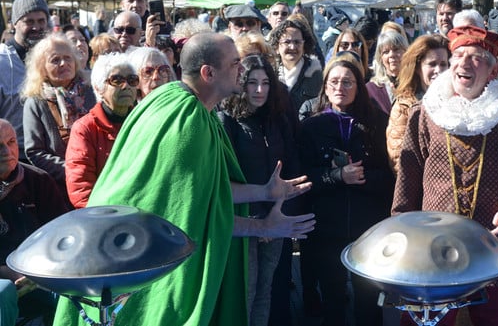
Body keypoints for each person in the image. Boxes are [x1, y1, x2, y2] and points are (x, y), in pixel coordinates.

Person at [53, 32, 316, 326]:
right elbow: (197, 217)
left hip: (123, 256)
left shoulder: (169, 99)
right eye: (234, 63)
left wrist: (265, 192)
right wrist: (264, 226)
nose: (241, 70)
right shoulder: (188, 121)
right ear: (208, 73)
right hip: (136, 266)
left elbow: (207, 190)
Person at [392, 25, 498, 326]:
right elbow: (407, 184)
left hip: (497, 255)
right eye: (458, 55)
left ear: (493, 70)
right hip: (434, 258)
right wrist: (401, 243)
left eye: (476, 58)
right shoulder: (425, 113)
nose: (464, 63)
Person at [298, 56, 395, 326]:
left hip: (369, 226)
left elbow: (391, 175)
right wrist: (336, 176)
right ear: (326, 87)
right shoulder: (311, 126)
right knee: (333, 297)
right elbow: (304, 177)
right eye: (334, 82)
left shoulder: (378, 123)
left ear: (358, 86)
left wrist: (362, 177)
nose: (340, 87)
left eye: (348, 82)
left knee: (368, 299)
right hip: (328, 227)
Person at [218, 55, 302, 326]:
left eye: (265, 83)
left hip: (274, 217)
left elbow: (288, 167)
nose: (259, 90)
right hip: (242, 221)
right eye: (252, 83)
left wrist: (276, 215)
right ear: (241, 84)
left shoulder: (278, 119)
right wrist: (259, 221)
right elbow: (225, 176)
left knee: (265, 291)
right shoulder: (227, 120)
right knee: (245, 292)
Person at [0, 119, 69, 324]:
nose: (7, 151)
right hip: (4, 278)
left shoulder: (38, 180)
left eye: (11, 142)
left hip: (39, 272)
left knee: (79, 291)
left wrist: (41, 269)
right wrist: (7, 271)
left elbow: (63, 235)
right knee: (3, 292)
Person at [22, 34, 95, 193]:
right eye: (55, 60)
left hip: (100, 179)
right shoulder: (36, 101)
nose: (64, 64)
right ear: (42, 68)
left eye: (68, 58)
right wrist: (73, 172)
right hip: (59, 188)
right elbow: (35, 151)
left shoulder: (92, 92)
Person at [65, 53, 138, 208]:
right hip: (104, 216)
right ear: (99, 88)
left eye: (132, 80)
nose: (126, 86)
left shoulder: (144, 121)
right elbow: (81, 188)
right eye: (117, 80)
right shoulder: (85, 129)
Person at [386, 34, 449, 173]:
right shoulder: (404, 106)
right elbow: (398, 159)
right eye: (432, 64)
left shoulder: (458, 102)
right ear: (418, 68)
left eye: (443, 64)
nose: (438, 70)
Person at [0, 0, 50, 161]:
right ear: (15, 23)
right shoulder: (2, 61)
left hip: (49, 158)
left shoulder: (54, 58)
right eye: (29, 21)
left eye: (41, 21)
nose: (36, 27)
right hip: (12, 159)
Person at [268, 18, 322, 114]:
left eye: (297, 42)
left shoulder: (316, 74)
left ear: (304, 46)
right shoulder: (269, 73)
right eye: (287, 42)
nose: (292, 47)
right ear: (276, 46)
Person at [366, 30, 409, 115]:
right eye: (386, 52)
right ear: (380, 58)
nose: (391, 55)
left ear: (406, 52)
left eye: (396, 49)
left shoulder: (415, 84)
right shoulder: (372, 90)